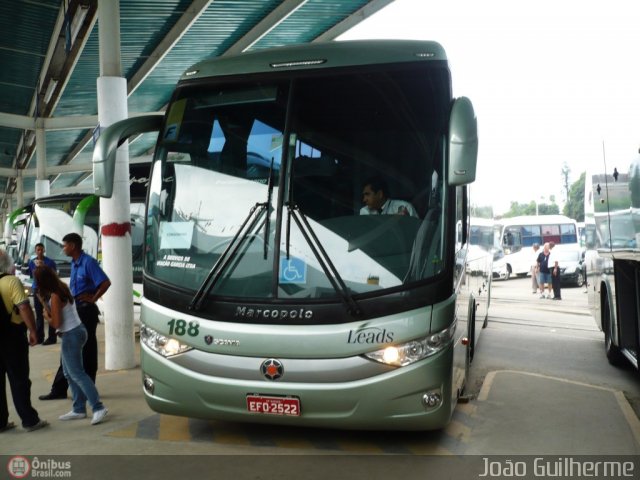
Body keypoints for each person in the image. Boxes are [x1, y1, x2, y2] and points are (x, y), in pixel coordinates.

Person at [39, 233, 111, 401]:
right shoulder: (74, 263)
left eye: (64, 245)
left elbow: (105, 282)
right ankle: (59, 389)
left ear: (72, 246)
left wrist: (93, 298)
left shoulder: (88, 262)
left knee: (88, 352)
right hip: (77, 309)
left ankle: (88, 390)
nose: (63, 248)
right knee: (69, 351)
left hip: (87, 310)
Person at [34, 266, 108, 425]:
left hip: (71, 334)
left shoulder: (55, 295)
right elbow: (55, 313)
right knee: (69, 373)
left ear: (42, 281)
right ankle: (79, 408)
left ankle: (98, 407)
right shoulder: (62, 288)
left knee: (78, 373)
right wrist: (42, 302)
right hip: (77, 331)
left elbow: (55, 322)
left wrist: (46, 317)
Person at [0, 249, 48, 433]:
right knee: (19, 380)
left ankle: (1, 423)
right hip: (12, 337)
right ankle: (29, 420)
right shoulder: (12, 281)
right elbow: (24, 308)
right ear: (8, 264)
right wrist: (33, 331)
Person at [27, 243, 58, 345]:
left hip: (47, 290)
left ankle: (52, 337)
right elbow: (32, 276)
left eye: (41, 249)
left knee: (49, 312)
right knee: (39, 314)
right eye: (38, 250)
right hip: (37, 290)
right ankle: (40, 337)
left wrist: (43, 266)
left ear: (44, 250)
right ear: (35, 251)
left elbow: (54, 275)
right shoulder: (32, 262)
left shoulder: (50, 262)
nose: (39, 251)